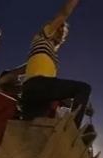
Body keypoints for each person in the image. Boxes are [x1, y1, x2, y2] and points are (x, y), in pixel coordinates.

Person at [20, 0, 92, 129]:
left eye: (61, 31)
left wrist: (82, 106)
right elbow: (64, 13)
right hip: (38, 85)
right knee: (83, 88)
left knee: (32, 133)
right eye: (58, 28)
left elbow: (25, 67)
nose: (59, 31)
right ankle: (71, 130)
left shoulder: (48, 55)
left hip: (33, 94)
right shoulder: (43, 36)